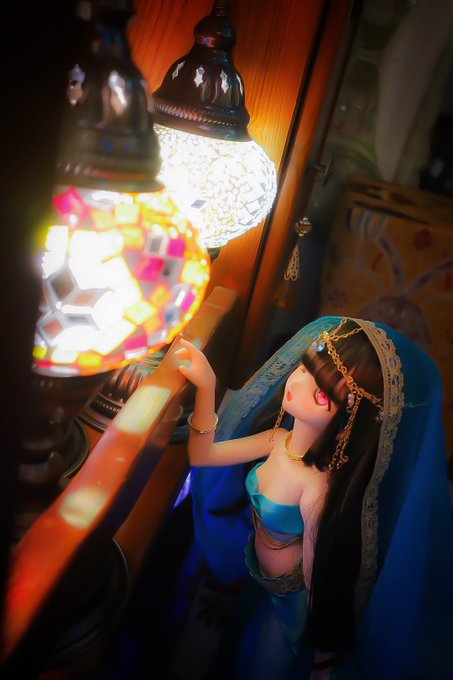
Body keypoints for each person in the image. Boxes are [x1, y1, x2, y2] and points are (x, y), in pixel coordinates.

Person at [175, 316, 453, 679]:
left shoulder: (316, 490)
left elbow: (317, 585)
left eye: (320, 394)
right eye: (304, 367)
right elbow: (203, 456)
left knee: (262, 665)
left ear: (348, 421)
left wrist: (323, 659)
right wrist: (206, 387)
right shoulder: (279, 441)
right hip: (258, 574)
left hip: (289, 602)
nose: (296, 383)